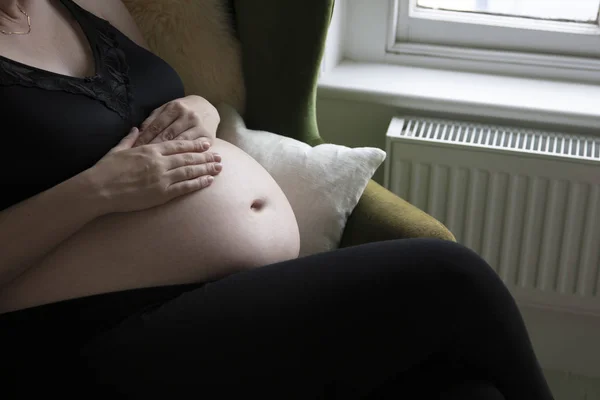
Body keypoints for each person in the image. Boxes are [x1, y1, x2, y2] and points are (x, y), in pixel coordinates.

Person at [0, 0, 554, 398]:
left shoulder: (86, 5)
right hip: (85, 336)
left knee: (460, 388)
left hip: (215, 297)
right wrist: (98, 191)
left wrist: (202, 108)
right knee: (450, 277)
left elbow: (157, 107)